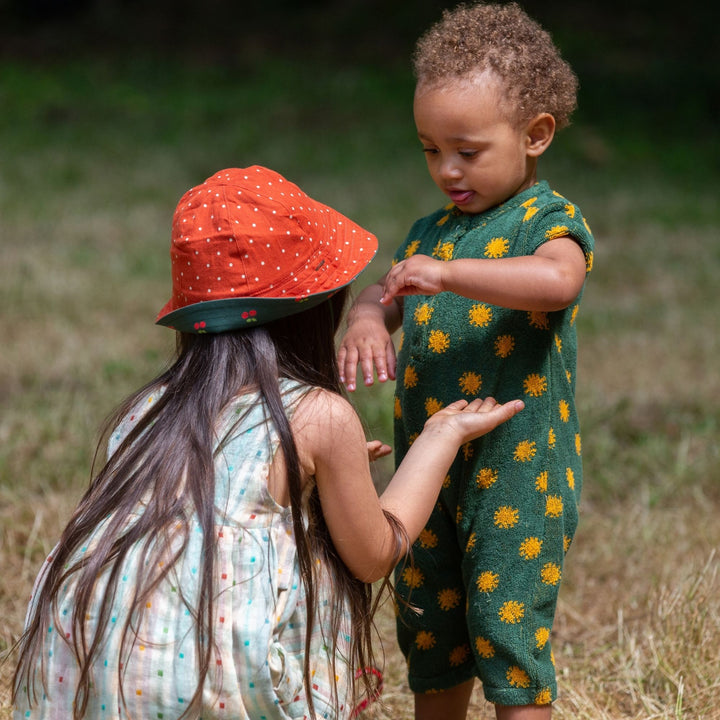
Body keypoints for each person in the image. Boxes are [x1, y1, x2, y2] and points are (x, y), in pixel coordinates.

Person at [12, 165, 524, 720]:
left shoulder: (146, 408)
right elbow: (375, 555)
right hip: (213, 688)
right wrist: (439, 439)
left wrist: (319, 477)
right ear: (315, 309)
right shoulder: (318, 415)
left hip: (91, 680)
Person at [338, 4, 595, 719]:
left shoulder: (547, 221)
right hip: (429, 469)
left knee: (505, 629)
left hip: (519, 467)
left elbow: (557, 282)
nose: (446, 169)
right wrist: (366, 316)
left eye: (468, 150)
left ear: (536, 134)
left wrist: (450, 276)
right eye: (429, 149)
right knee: (430, 631)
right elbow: (388, 292)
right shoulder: (433, 232)